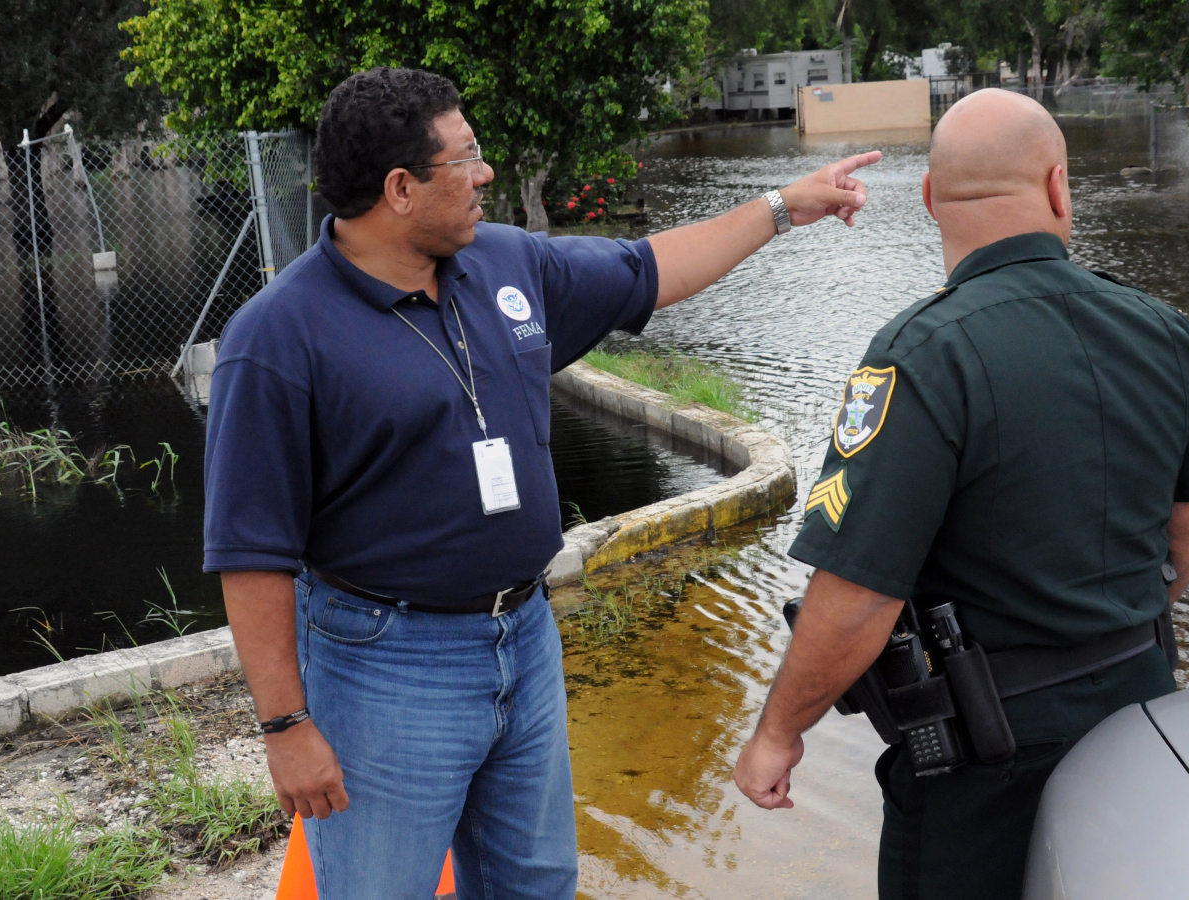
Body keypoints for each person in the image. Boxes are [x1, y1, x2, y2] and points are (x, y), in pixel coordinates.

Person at [203, 67, 880, 899]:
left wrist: (781, 208)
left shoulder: (505, 264)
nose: (485, 172)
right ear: (401, 188)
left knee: (534, 883)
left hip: (523, 635)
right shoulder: (276, 339)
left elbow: (647, 269)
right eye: (468, 156)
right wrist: (286, 726)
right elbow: (250, 553)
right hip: (386, 665)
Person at [731, 88, 1189, 899]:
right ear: (1059, 187)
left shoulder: (919, 356)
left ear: (928, 201)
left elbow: (856, 592)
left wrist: (778, 732)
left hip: (985, 761)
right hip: (1142, 716)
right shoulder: (1170, 334)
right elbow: (1186, 535)